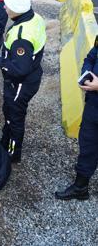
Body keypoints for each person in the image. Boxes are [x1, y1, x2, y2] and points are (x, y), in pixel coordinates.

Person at [0, 0, 46, 163]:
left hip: (21, 84)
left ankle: (13, 153)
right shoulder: (35, 18)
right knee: (9, 112)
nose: (4, 8)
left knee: (15, 117)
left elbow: (20, 69)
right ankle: (5, 141)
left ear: (16, 9)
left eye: (7, 6)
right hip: (29, 77)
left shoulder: (22, 36)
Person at [55, 38, 98, 201]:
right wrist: (86, 74)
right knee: (88, 145)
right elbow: (92, 56)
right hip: (94, 106)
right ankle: (80, 187)